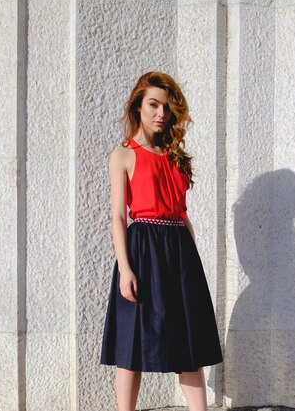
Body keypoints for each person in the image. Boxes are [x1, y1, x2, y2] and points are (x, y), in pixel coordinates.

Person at [99, 71, 223, 411]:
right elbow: (117, 217)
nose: (161, 114)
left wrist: (192, 263)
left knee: (188, 344)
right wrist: (125, 268)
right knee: (132, 342)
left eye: (167, 107)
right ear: (138, 106)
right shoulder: (123, 155)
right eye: (153, 105)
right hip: (141, 250)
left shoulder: (174, 157)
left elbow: (182, 215)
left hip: (180, 251)